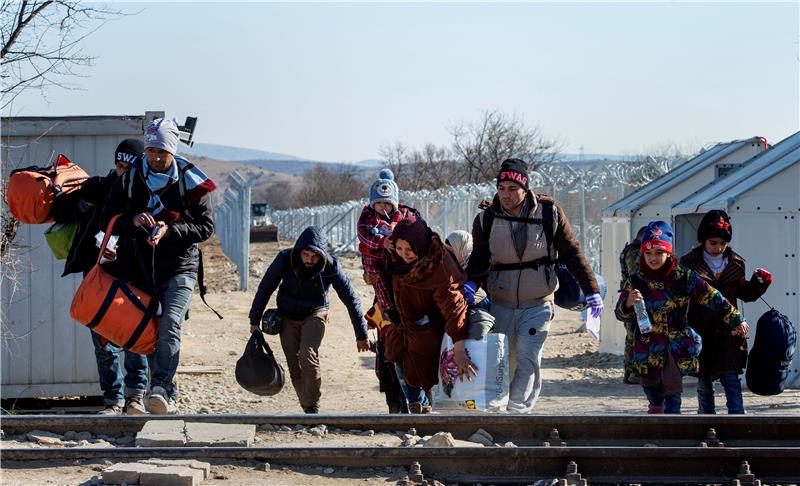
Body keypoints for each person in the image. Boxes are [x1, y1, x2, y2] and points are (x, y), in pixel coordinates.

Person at [466, 158, 601, 414]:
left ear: (525, 189)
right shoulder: (486, 219)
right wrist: (470, 283)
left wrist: (592, 290)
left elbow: (572, 252)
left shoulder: (548, 214)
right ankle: (499, 407)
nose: (505, 194)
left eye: (512, 188)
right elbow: (479, 259)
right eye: (501, 188)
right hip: (501, 303)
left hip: (538, 302)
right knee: (505, 359)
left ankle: (518, 412)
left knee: (528, 357)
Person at [101, 118, 217, 414]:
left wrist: (170, 230)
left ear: (172, 152)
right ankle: (153, 393)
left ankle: (162, 387)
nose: (154, 158)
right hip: (140, 268)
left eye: (161, 152)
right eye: (151, 150)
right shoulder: (130, 180)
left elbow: (205, 227)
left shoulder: (191, 183)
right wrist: (132, 220)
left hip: (180, 268)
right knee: (143, 327)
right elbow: (107, 218)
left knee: (170, 324)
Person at [52, 139, 149, 415]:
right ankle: (113, 399)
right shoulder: (99, 186)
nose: (121, 172)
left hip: (132, 275)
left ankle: (135, 397)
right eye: (118, 166)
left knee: (133, 334)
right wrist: (82, 204)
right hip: (99, 274)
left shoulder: (147, 194)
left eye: (128, 167)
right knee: (102, 338)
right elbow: (60, 209)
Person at [615, 221, 749, 414]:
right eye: (649, 253)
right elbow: (620, 314)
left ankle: (672, 428)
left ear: (668, 253)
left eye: (659, 253)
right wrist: (627, 304)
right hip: (646, 347)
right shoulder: (636, 280)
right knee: (650, 387)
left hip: (674, 345)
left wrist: (736, 319)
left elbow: (711, 297)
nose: (653, 258)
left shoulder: (683, 277)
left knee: (672, 390)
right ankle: (656, 407)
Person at [248, 226, 369, 413]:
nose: (309, 260)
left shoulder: (331, 266)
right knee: (293, 362)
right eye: (305, 255)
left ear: (322, 256)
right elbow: (266, 287)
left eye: (314, 257)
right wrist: (254, 320)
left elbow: (350, 298)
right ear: (299, 252)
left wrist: (361, 333)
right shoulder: (284, 259)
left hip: (316, 312)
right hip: (287, 315)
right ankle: (306, 406)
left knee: (307, 354)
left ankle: (313, 406)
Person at [680, 210, 771, 414]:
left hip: (731, 330)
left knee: (731, 379)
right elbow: (680, 296)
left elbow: (744, 294)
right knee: (704, 380)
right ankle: (706, 419)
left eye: (722, 243)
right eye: (713, 242)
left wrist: (759, 283)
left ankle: (737, 418)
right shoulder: (688, 263)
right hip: (700, 329)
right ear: (704, 240)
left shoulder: (736, 263)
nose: (718, 248)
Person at [384, 216, 473, 413]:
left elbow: (453, 305)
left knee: (422, 358)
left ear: (420, 245)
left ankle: (424, 404)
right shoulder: (395, 258)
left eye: (409, 250)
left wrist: (459, 346)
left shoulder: (438, 264)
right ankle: (417, 404)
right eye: (399, 249)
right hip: (408, 319)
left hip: (436, 322)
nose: (404, 255)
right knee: (396, 351)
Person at [356, 168, 421, 413]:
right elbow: (363, 237)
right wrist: (381, 243)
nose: (383, 207)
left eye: (387, 202)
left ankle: (417, 402)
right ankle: (396, 405)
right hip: (381, 278)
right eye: (379, 202)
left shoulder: (406, 216)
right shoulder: (367, 216)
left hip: (407, 285)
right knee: (388, 346)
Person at [618, 226, 647, 385]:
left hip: (631, 297)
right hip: (633, 299)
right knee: (634, 336)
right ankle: (632, 372)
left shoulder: (630, 249)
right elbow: (635, 276)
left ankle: (630, 373)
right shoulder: (634, 252)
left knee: (631, 336)